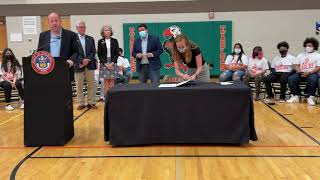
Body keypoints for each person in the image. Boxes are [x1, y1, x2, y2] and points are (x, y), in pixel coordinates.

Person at [37, 12, 78, 81]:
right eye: (52, 21)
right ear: (49, 23)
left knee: (64, 91)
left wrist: (71, 61)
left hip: (65, 69)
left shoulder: (71, 35)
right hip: (47, 70)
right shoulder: (43, 35)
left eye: (56, 20)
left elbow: (76, 52)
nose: (54, 23)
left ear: (60, 21)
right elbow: (40, 52)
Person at [287, 37, 320, 106]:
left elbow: (318, 67)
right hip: (301, 73)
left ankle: (310, 97)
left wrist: (309, 73)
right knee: (291, 78)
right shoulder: (300, 55)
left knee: (313, 79)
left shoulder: (317, 55)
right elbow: (295, 65)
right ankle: (295, 95)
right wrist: (299, 71)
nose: (308, 47)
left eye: (310, 46)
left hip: (312, 73)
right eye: (307, 45)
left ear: (314, 47)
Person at [74, 20, 97, 110]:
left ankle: (91, 102)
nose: (82, 28)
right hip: (78, 65)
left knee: (91, 85)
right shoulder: (73, 38)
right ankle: (81, 103)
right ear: (77, 28)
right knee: (79, 85)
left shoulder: (90, 38)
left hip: (90, 64)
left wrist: (87, 60)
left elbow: (93, 51)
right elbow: (73, 52)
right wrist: (81, 61)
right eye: (80, 27)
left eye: (84, 27)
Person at [97, 25, 119, 96]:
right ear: (103, 32)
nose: (107, 31)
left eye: (108, 30)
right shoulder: (100, 41)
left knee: (112, 82)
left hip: (113, 62)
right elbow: (99, 54)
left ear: (111, 31)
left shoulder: (115, 41)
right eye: (105, 30)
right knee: (106, 82)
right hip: (104, 63)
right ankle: (107, 99)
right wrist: (105, 64)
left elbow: (117, 53)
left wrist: (112, 63)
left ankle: (113, 98)